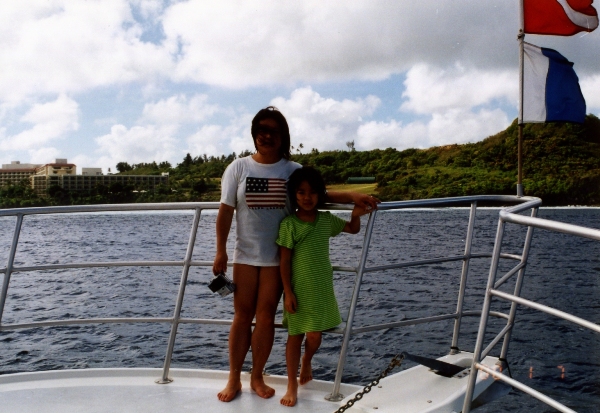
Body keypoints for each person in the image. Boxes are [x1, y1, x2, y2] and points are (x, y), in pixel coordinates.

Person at [213, 106, 379, 402]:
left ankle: (257, 377)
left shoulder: (291, 170)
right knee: (242, 316)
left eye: (273, 131)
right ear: (254, 134)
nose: (266, 136)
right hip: (245, 255)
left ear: (283, 136)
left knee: (265, 318)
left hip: (278, 258)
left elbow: (318, 194)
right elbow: (225, 211)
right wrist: (220, 251)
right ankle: (233, 378)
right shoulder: (238, 168)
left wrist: (352, 196)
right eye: (261, 130)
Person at [277, 167, 370, 407]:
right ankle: (291, 385)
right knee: (295, 336)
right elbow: (284, 261)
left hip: (321, 287)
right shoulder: (289, 224)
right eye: (301, 192)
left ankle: (307, 360)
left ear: (320, 194)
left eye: (312, 192)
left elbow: (352, 229)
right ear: (293, 195)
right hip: (298, 288)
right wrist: (288, 292)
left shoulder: (326, 220)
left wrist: (356, 214)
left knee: (315, 336)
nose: (307, 197)